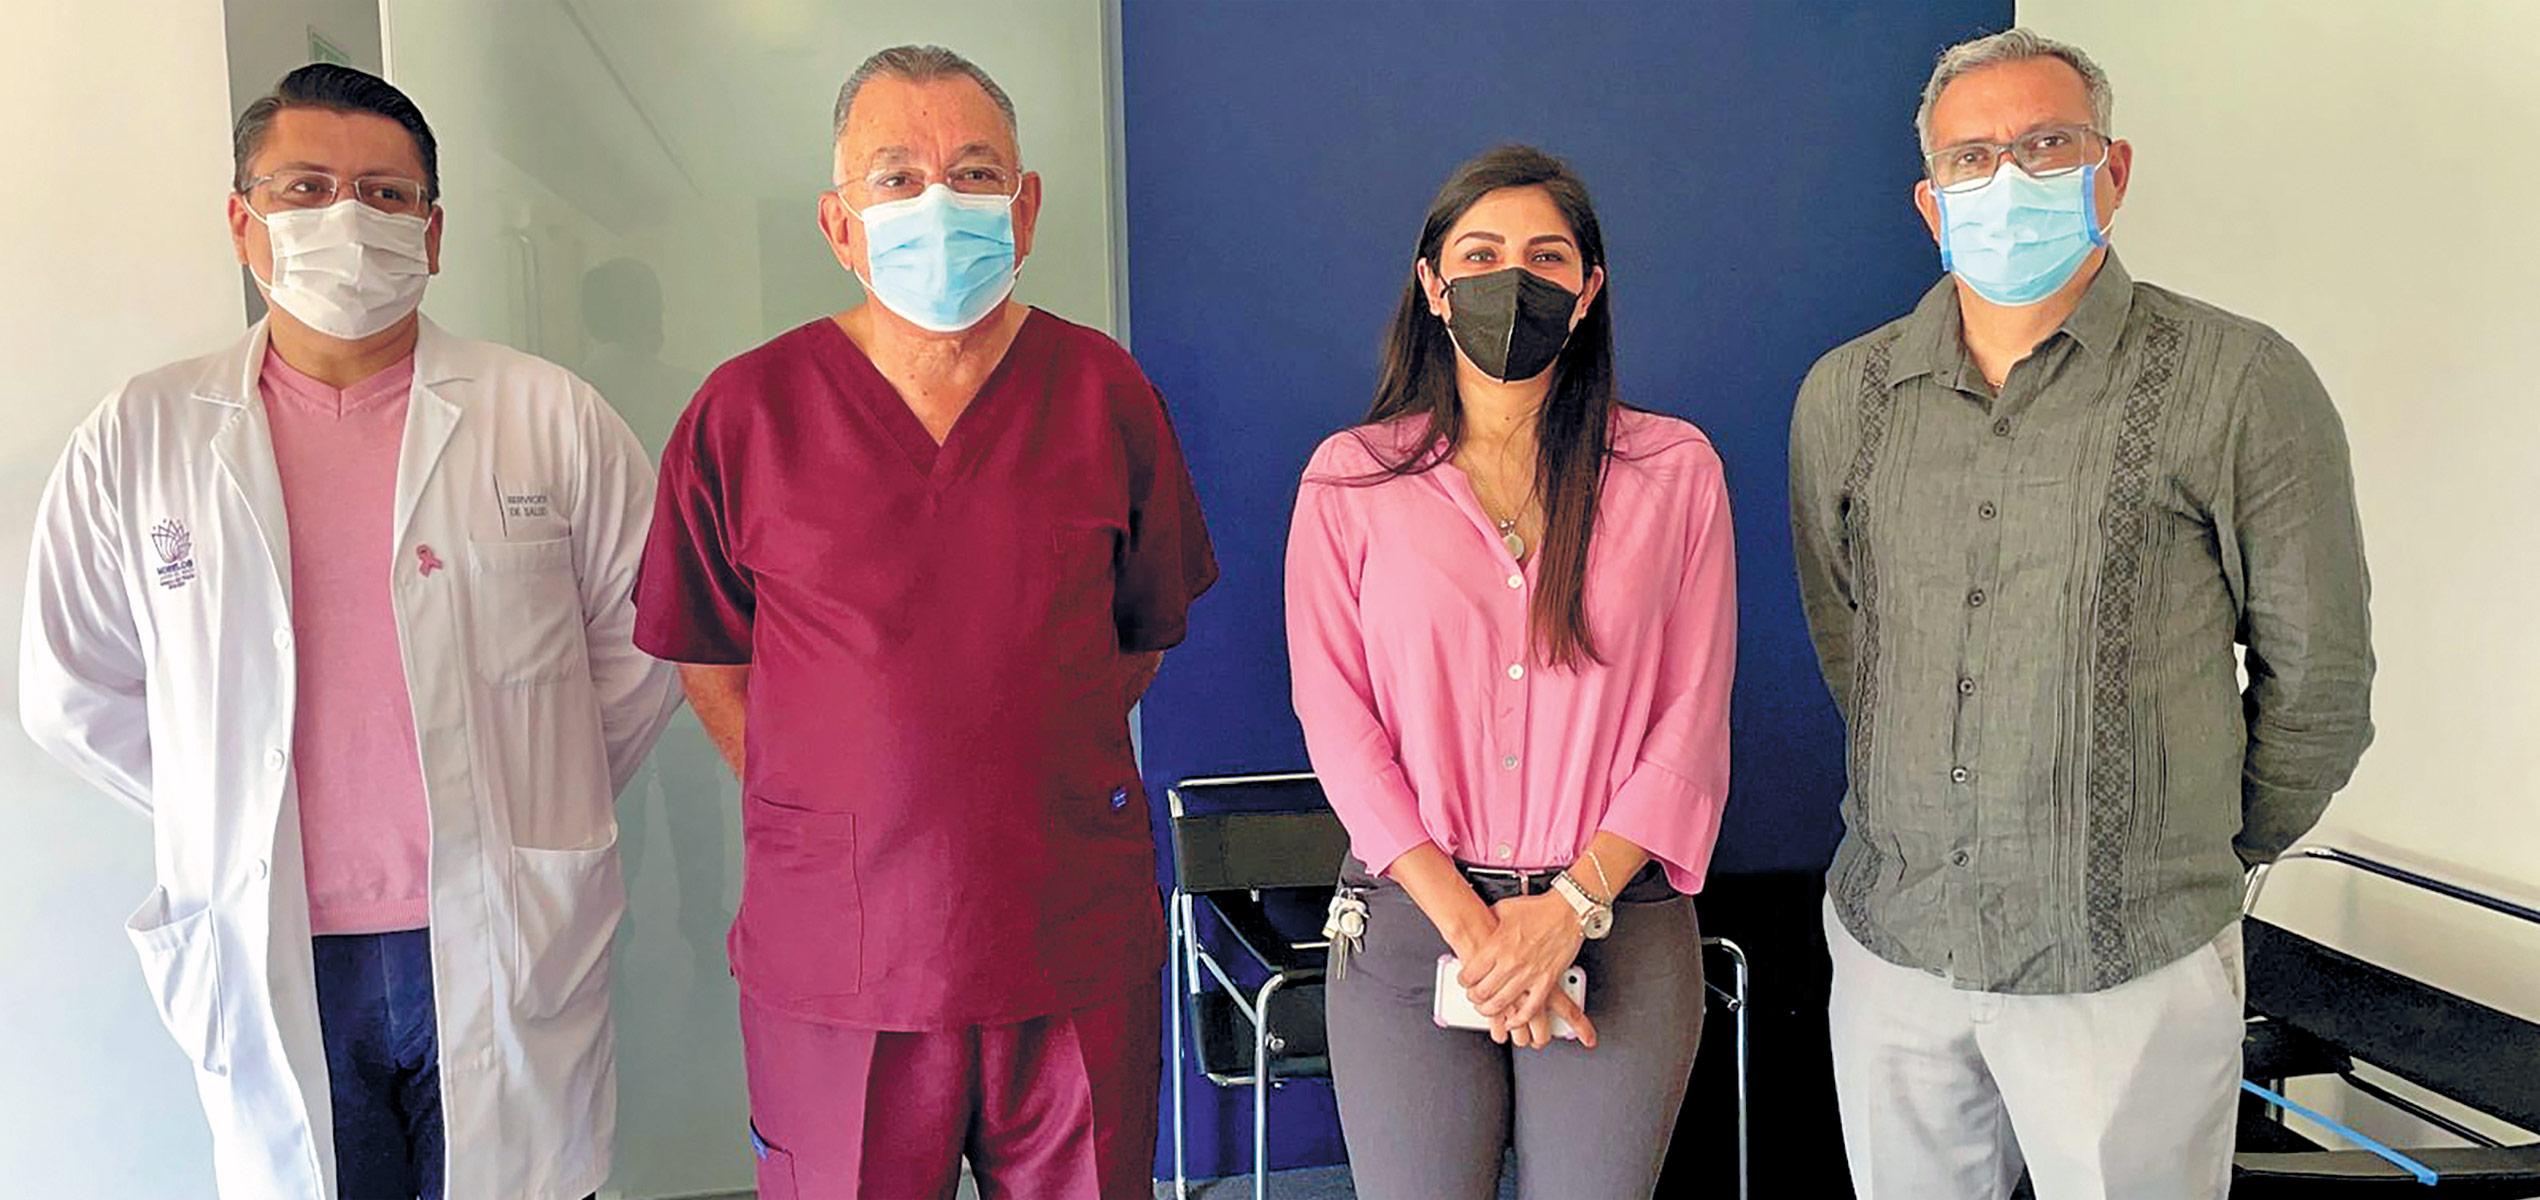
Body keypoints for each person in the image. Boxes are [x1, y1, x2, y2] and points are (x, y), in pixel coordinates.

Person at [19, 64, 677, 1199]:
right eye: (306, 187)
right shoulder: (141, 435)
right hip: (271, 938)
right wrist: (233, 799)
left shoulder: (548, 415)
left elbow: (644, 646)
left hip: (502, 929)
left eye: (384, 195)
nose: (347, 217)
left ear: (432, 235)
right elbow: (72, 689)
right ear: (243, 222)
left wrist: (528, 791)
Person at [1789, 28, 2375, 1198]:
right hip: (1895, 948)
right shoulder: (1845, 395)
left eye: (2045, 145)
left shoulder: (2237, 381)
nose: (2006, 178)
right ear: (1928, 200)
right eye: (1970, 158)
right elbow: (1851, 639)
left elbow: (2318, 684)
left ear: (2111, 171)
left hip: (2127, 963)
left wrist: (2192, 852)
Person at [632, 44, 1217, 1199]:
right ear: (839, 224)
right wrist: (837, 791)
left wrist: (1009, 757)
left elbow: (1138, 634)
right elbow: (709, 656)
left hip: (1063, 932)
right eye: (896, 177)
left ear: (1025, 207)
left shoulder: (1102, 394)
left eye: (974, 173)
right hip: (837, 955)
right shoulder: (745, 413)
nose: (937, 204)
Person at [1286, 144, 1738, 1200]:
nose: (1513, 279)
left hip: (1616, 922)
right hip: (1413, 926)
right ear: (1433, 284)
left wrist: (1564, 910)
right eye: (1481, 255)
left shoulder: (1674, 471)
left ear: (1587, 290)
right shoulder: (1350, 481)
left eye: (1546, 258)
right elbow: (1336, 720)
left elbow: (1693, 714)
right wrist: (1479, 935)